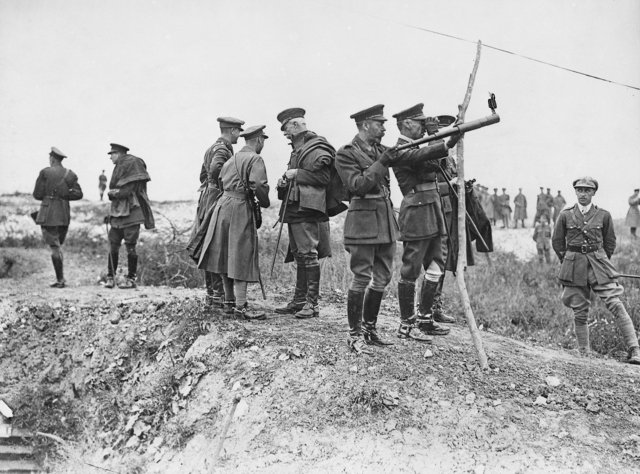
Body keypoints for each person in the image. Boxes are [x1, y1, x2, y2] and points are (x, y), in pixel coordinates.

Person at [391, 105, 461, 343]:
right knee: (411, 268)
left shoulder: (419, 147)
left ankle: (425, 318)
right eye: (420, 123)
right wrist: (440, 138)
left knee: (435, 266)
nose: (423, 127)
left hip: (432, 210)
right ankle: (406, 324)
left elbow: (436, 164)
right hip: (417, 213)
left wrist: (447, 138)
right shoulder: (400, 149)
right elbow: (425, 159)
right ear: (407, 124)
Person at [552, 177, 640, 364]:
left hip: (599, 265)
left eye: (587, 190)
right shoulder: (565, 215)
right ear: (575, 192)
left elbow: (610, 243)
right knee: (579, 310)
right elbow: (557, 242)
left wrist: (600, 260)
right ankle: (584, 354)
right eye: (580, 190)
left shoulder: (604, 215)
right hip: (574, 266)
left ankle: (635, 349)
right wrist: (568, 261)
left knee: (616, 304)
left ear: (593, 193)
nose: (583, 194)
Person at [197, 125, 270, 320]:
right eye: (263, 141)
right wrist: (264, 202)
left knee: (224, 255)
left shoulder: (231, 159)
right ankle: (240, 307)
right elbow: (259, 185)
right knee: (240, 254)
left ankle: (229, 303)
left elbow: (218, 178)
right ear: (259, 141)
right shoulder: (255, 159)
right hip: (239, 207)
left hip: (222, 206)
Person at [274, 108, 335, 319]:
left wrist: (297, 174)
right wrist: (284, 182)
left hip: (307, 208)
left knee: (308, 254)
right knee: (300, 254)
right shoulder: (298, 148)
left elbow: (324, 179)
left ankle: (312, 304)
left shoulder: (317, 146)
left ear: (296, 125)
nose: (286, 135)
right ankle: (300, 301)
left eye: (287, 130)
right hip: (295, 208)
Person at [196, 117, 245, 308]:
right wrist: (226, 184)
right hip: (216, 197)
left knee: (210, 245)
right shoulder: (222, 149)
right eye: (238, 132)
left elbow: (202, 175)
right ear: (232, 130)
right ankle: (218, 294)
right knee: (215, 246)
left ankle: (214, 294)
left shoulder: (212, 147)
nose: (239, 136)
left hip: (208, 196)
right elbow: (217, 168)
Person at [105, 143, 155, 289]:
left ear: (119, 153)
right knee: (113, 245)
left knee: (130, 246)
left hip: (132, 212)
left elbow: (127, 190)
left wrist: (114, 193)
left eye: (112, 154)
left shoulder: (131, 164)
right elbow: (117, 190)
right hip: (117, 213)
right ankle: (110, 277)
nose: (110, 157)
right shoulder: (120, 166)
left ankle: (131, 279)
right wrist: (114, 194)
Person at [423, 115, 457, 324]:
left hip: (449, 210)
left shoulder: (451, 158)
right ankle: (429, 306)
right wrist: (454, 185)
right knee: (436, 258)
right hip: (437, 210)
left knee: (444, 258)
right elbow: (431, 184)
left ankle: (436, 305)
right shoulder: (430, 154)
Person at [32, 147, 83, 288]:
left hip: (48, 214)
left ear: (52, 159)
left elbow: (37, 194)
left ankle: (60, 280)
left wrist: (50, 195)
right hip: (64, 214)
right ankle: (61, 279)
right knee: (58, 246)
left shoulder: (45, 172)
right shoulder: (70, 174)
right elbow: (78, 194)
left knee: (54, 247)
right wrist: (64, 195)